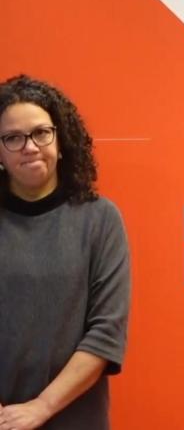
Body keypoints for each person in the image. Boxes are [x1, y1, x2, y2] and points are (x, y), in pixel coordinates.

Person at [0, 75, 130, 430]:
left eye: (41, 133)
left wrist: (41, 407)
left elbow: (106, 334)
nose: (30, 146)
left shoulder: (100, 219)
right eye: (13, 138)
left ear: (61, 141)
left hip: (77, 420)